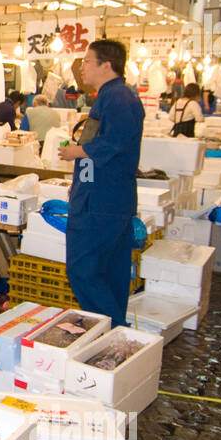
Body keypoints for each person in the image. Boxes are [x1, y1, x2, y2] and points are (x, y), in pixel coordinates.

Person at [58, 40, 144, 328]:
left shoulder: (119, 98)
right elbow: (100, 145)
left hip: (103, 202)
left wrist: (76, 153)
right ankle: (112, 329)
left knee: (84, 269)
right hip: (101, 196)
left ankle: (113, 329)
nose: (82, 67)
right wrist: (81, 180)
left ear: (106, 65)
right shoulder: (108, 96)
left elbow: (113, 142)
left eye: (87, 61)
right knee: (110, 270)